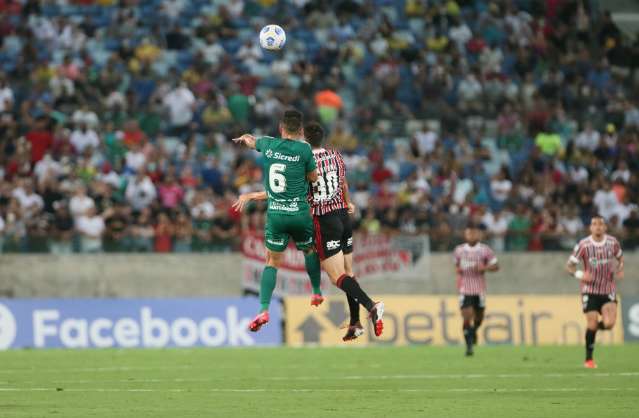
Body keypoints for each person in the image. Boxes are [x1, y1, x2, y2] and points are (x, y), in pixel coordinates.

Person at [235, 121, 385, 340]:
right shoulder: (335, 155)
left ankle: (372, 305)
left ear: (304, 137)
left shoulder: (304, 160)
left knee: (337, 277)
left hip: (325, 220)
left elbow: (285, 190)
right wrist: (348, 203)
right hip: (343, 216)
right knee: (349, 272)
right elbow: (343, 184)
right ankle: (355, 322)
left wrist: (251, 195)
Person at [232, 110, 324, 332]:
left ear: (281, 129)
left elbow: (253, 142)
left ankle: (263, 309)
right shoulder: (304, 149)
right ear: (301, 131)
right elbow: (314, 178)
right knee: (310, 250)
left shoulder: (269, 145)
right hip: (300, 213)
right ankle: (316, 292)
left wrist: (245, 139)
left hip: (276, 215)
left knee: (272, 261)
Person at [565, 215, 624, 369]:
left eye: (601, 224)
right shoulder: (583, 245)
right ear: (590, 227)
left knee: (609, 324)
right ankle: (589, 359)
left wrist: (619, 269)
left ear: (605, 227)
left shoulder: (613, 243)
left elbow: (620, 258)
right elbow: (569, 266)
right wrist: (580, 275)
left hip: (608, 290)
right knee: (591, 323)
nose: (598, 226)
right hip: (589, 291)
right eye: (594, 224)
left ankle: (590, 332)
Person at [453, 224, 499, 356]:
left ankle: (473, 331)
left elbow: (496, 266)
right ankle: (469, 347)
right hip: (465, 288)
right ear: (465, 235)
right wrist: (459, 270)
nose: (471, 236)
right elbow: (456, 267)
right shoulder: (459, 250)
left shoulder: (485, 250)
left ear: (478, 235)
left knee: (479, 317)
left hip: (479, 289)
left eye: (474, 233)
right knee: (467, 315)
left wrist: (484, 268)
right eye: (469, 233)